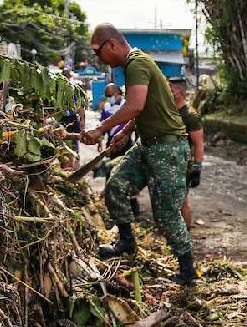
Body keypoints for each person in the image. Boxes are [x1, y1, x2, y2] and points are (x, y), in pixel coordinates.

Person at [80, 24, 196, 285]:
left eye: (99, 53)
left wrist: (100, 129)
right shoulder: (136, 63)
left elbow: (135, 105)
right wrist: (124, 131)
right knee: (116, 185)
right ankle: (127, 242)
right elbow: (147, 106)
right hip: (148, 144)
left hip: (167, 147)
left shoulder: (136, 64)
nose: (99, 60)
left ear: (111, 45)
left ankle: (188, 271)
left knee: (166, 213)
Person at [168, 77, 204, 229]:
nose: (168, 92)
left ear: (180, 92)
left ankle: (186, 232)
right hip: (168, 163)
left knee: (182, 201)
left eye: (171, 90)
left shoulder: (190, 115)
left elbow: (198, 144)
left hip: (183, 165)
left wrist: (197, 167)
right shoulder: (170, 110)